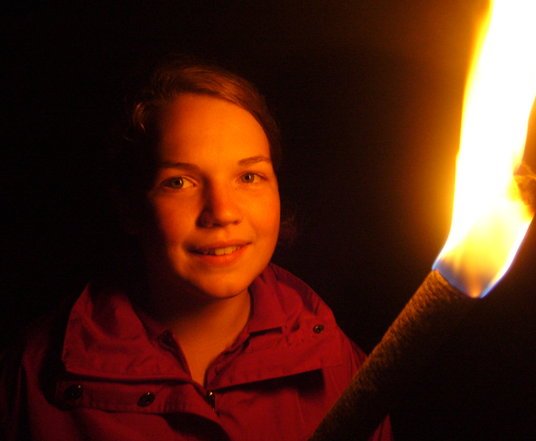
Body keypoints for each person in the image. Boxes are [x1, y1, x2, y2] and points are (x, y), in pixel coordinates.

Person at [0, 58, 392, 441]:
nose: (222, 212)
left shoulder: (340, 365)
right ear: (129, 207)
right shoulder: (31, 376)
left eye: (249, 176)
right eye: (179, 182)